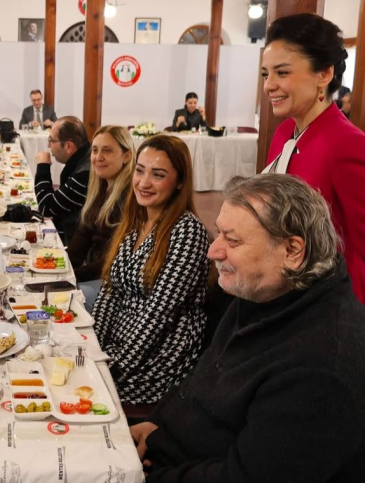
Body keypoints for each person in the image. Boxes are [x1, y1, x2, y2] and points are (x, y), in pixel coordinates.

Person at [131, 174, 365, 482]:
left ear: (293, 251)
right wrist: (158, 424)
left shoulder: (322, 369)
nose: (213, 251)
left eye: (232, 240)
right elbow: (204, 376)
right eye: (219, 234)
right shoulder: (265, 290)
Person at [92, 134, 209, 405]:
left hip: (158, 360)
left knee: (78, 395)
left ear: (180, 182)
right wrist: (91, 347)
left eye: (158, 175)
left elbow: (158, 314)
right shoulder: (136, 222)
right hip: (118, 347)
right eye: (140, 171)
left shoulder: (187, 230)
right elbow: (110, 293)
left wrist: (113, 368)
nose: (144, 183)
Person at [262, 13, 365, 303]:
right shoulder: (284, 132)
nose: (269, 85)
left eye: (282, 73)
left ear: (324, 74)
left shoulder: (348, 144)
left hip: (325, 301)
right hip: (282, 289)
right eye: (266, 74)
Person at [68, 126, 135, 309]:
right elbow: (83, 235)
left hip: (111, 282)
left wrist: (72, 276)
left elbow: (111, 261)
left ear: (127, 156)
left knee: (65, 302)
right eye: (95, 150)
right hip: (93, 274)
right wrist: (62, 267)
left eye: (107, 150)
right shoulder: (100, 189)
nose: (98, 157)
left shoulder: (129, 198)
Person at [34, 116, 91, 244]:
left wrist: (43, 166)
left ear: (68, 146)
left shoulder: (84, 174)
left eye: (51, 140)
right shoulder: (83, 158)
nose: (49, 145)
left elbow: (47, 208)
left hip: (75, 243)